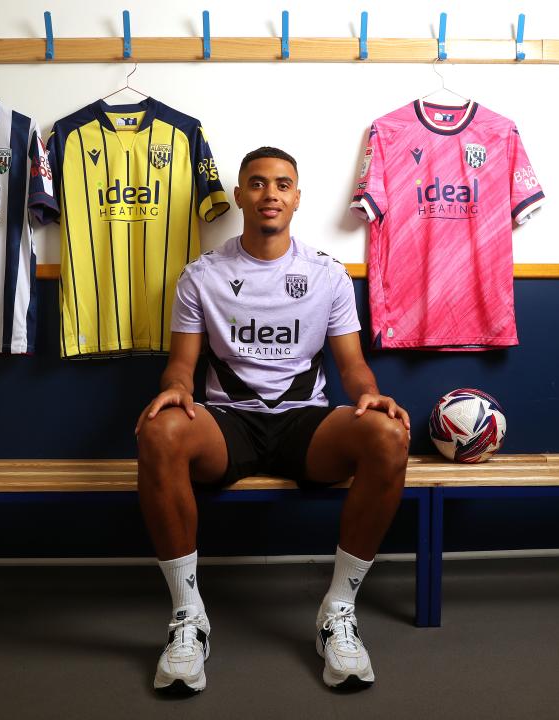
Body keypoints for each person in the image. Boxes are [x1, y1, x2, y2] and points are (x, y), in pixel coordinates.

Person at [135, 146, 410, 693]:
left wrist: (371, 396)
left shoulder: (327, 274)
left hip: (304, 426)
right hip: (227, 423)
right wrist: (174, 391)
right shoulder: (201, 275)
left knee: (388, 433)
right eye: (258, 183)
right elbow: (182, 366)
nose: (270, 194)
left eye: (282, 184)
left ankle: (338, 611)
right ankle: (188, 618)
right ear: (239, 195)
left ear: (297, 198)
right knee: (160, 429)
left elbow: (353, 367)